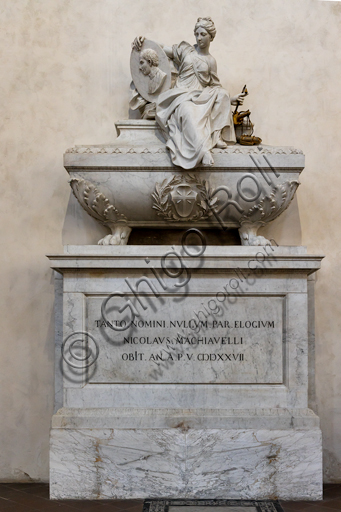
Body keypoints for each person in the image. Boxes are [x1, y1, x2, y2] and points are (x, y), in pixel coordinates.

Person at [133, 17, 246, 169]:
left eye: (203, 34)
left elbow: (214, 84)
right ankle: (203, 149)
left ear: (211, 37)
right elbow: (162, 49)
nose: (199, 38)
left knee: (222, 93)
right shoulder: (185, 50)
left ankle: (215, 135)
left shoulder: (211, 61)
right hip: (181, 95)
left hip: (200, 96)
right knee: (187, 110)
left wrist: (231, 99)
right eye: (197, 34)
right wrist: (145, 41)